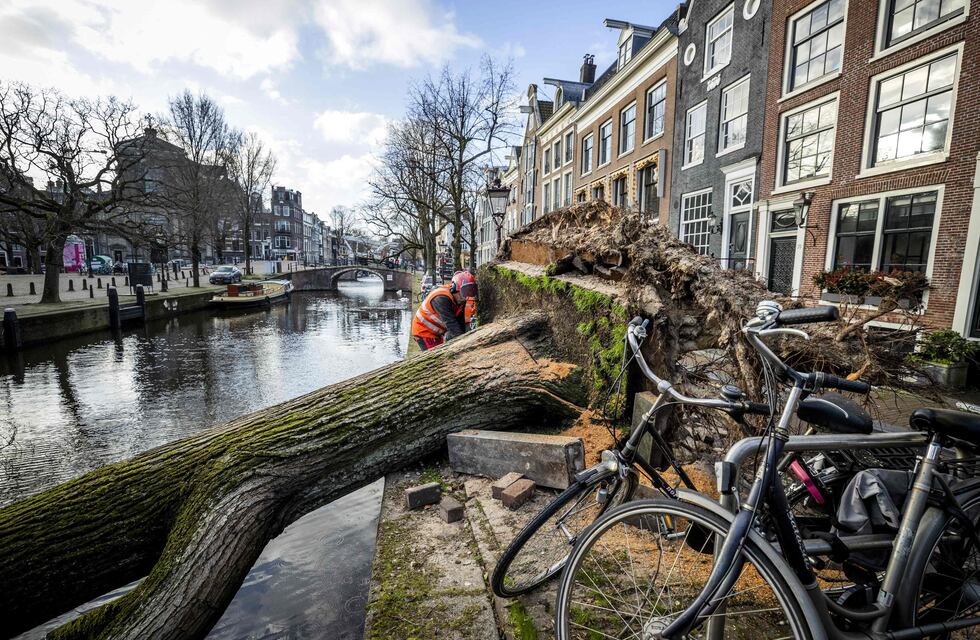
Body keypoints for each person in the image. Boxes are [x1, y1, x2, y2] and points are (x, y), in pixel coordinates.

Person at [412, 270, 477, 351]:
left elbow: (460, 323)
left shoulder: (459, 299)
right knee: (434, 358)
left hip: (436, 333)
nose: (465, 298)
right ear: (454, 288)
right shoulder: (441, 299)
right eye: (463, 293)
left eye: (468, 294)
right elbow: (451, 324)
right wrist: (464, 345)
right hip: (423, 331)